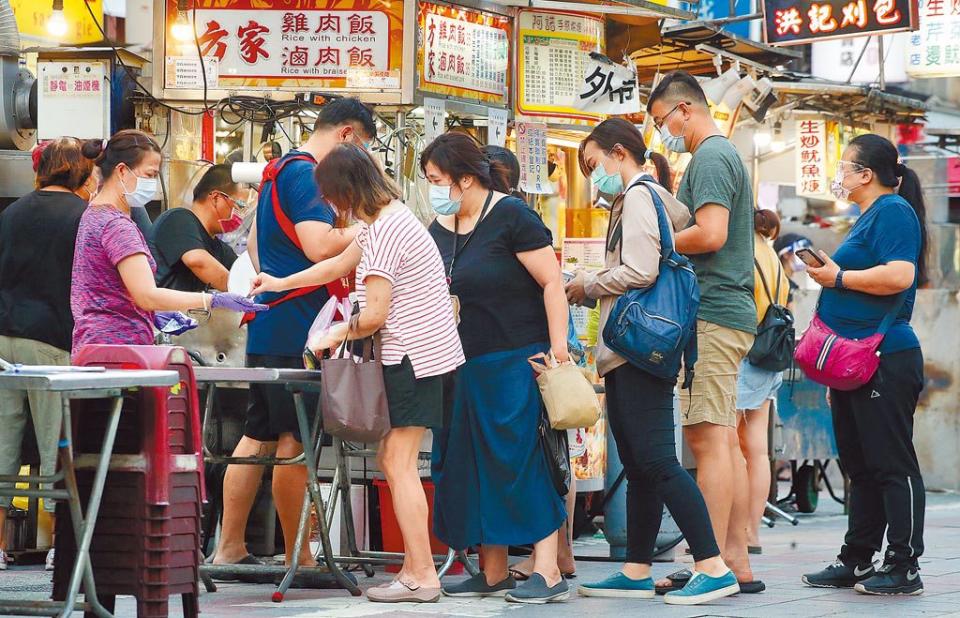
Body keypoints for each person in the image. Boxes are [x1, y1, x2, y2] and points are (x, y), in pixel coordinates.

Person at [250, 143, 464, 602]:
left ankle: (423, 575)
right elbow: (335, 264)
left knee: (397, 463)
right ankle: (414, 569)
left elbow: (375, 314)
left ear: (345, 190)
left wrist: (333, 335)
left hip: (412, 358)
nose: (331, 206)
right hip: (423, 357)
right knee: (394, 461)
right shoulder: (387, 220)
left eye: (330, 196)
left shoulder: (385, 230)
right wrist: (279, 283)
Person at [564, 118, 738, 605]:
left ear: (619, 153)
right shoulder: (655, 196)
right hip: (634, 349)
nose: (592, 175)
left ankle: (712, 564)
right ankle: (637, 569)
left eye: (593, 164)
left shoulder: (639, 195)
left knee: (658, 460)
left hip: (641, 346)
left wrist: (588, 283)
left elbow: (641, 269)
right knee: (640, 466)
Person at [214, 97, 376, 572]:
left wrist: (277, 280)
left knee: (258, 433)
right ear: (346, 135)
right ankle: (299, 555)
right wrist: (372, 229)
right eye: (362, 147)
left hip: (271, 318)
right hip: (299, 325)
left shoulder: (276, 171)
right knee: (295, 439)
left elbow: (254, 246)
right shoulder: (307, 175)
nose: (360, 159)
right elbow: (317, 243)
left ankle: (229, 547)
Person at [423, 132, 570, 604]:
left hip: (517, 358)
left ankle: (547, 571)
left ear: (466, 179)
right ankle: (493, 570)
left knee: (521, 462)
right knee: (469, 465)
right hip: (461, 364)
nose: (434, 188)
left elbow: (552, 283)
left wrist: (559, 348)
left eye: (438, 179)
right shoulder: (441, 227)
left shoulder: (512, 216)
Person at [646, 71, 760, 593]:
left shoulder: (711, 157)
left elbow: (710, 234)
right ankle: (731, 559)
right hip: (724, 312)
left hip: (713, 313)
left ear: (684, 110)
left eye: (661, 121)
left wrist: (660, 243)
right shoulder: (722, 155)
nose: (662, 132)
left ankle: (710, 564)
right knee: (723, 440)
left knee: (707, 438)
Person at [801, 134, 927, 596]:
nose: (840, 174)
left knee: (891, 462)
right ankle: (857, 557)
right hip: (855, 360)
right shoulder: (869, 216)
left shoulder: (893, 211)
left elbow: (900, 274)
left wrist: (837, 276)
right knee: (860, 463)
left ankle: (904, 563)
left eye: (845, 165)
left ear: (865, 174)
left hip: (886, 356)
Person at [70, 130, 264, 356]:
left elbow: (111, 292)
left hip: (94, 344)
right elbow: (146, 295)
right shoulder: (117, 225)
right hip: (117, 349)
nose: (152, 184)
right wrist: (214, 299)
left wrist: (152, 314)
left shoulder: (93, 215)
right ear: (122, 171)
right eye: (150, 174)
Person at [0, 138, 98, 571]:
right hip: (52, 341)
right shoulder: (84, 217)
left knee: (2, 447)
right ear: (79, 172)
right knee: (57, 446)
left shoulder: (10, 213)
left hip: (4, 338)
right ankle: (61, 545)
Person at [737, 209, 790, 555]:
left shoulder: (744, 253)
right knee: (756, 451)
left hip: (745, 353)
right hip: (771, 356)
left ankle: (734, 533)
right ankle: (751, 533)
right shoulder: (772, 256)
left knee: (728, 448)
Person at [149, 164, 242, 293]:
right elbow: (198, 261)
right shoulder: (177, 219)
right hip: (161, 312)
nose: (239, 214)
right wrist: (241, 290)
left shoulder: (221, 250)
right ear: (216, 198)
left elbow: (242, 275)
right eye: (238, 205)